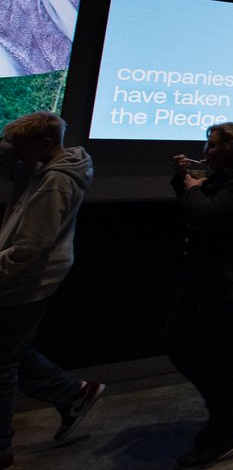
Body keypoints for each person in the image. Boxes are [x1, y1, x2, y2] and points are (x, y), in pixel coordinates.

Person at [166, 121, 233, 468]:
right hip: (204, 276)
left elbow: (208, 212)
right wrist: (183, 180)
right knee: (179, 343)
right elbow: (193, 205)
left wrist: (195, 187)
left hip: (228, 280)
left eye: (213, 146)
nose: (206, 152)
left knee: (223, 357)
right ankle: (226, 406)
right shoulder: (224, 175)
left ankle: (225, 431)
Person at [1, 112, 104, 469]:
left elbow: (31, 247)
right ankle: (72, 392)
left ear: (45, 144)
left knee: (3, 363)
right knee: (10, 349)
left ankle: (1, 448)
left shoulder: (56, 181)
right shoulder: (44, 166)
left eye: (22, 145)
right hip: (21, 277)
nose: (16, 152)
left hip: (25, 280)